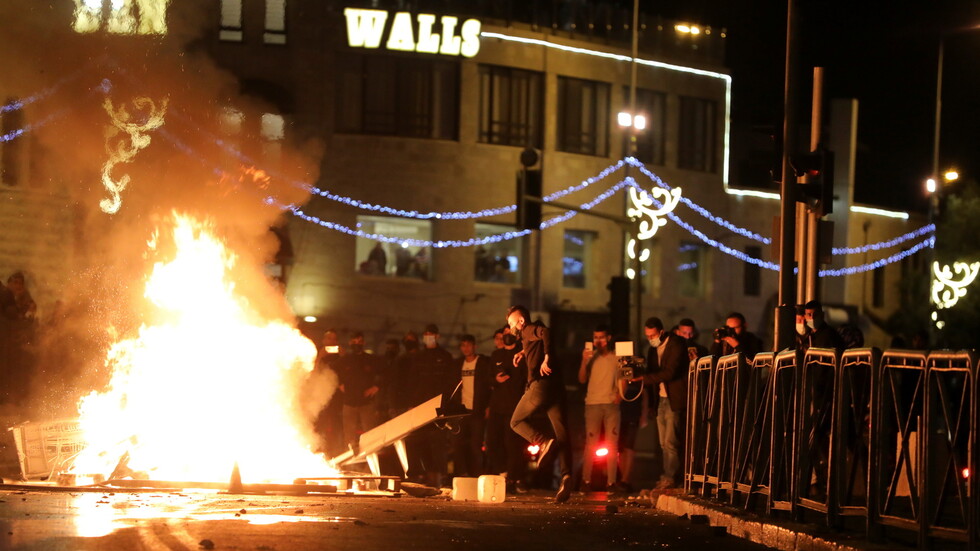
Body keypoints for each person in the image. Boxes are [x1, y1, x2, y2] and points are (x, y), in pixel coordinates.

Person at [506, 305, 573, 504]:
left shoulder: (528, 329)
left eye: (511, 323)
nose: (511, 328)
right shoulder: (528, 336)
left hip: (540, 386)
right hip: (556, 388)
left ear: (520, 321)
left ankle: (542, 442)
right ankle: (567, 476)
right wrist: (523, 353)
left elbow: (545, 332)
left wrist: (546, 357)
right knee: (562, 435)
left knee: (516, 421)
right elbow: (538, 338)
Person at [639, 317, 689, 490]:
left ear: (661, 332)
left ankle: (671, 477)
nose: (650, 339)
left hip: (674, 398)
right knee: (663, 443)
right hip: (661, 398)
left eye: (652, 335)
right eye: (647, 336)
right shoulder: (652, 350)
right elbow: (652, 373)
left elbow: (670, 372)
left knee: (671, 441)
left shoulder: (677, 344)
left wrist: (644, 378)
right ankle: (668, 476)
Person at [407, 323, 456, 486]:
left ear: (437, 336)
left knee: (438, 443)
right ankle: (417, 475)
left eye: (431, 334)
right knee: (417, 440)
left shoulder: (445, 356)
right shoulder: (418, 357)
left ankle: (439, 476)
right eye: (426, 334)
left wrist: (446, 404)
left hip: (439, 406)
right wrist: (412, 404)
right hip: (420, 406)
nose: (428, 337)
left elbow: (450, 382)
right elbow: (412, 382)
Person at [577, 325, 622, 492]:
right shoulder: (590, 356)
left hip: (611, 404)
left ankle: (611, 482)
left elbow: (624, 378)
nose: (598, 341)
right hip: (592, 404)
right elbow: (581, 379)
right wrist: (584, 360)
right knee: (590, 444)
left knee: (612, 444)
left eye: (601, 337)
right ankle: (585, 481)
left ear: (608, 338)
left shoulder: (617, 357)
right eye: (595, 337)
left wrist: (620, 395)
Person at [487, 326, 528, 492]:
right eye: (504, 334)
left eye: (510, 333)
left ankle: (514, 479)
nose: (507, 336)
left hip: (514, 407)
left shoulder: (521, 356)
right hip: (496, 407)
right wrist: (496, 380)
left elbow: (526, 380)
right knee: (492, 443)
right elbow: (487, 378)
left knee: (512, 445)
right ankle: (503, 473)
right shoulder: (496, 355)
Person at [450, 334, 493, 477]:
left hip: (477, 410)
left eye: (468, 345)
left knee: (476, 445)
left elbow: (489, 386)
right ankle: (460, 474)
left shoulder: (483, 363)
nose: (465, 348)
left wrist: (488, 406)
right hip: (461, 411)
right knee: (458, 444)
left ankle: (477, 475)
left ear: (474, 346)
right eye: (463, 345)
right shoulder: (457, 364)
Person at [336, 332, 382, 454]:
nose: (357, 344)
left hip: (366, 403)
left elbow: (386, 374)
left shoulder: (371, 359)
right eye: (354, 342)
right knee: (349, 437)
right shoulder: (344, 360)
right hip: (349, 402)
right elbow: (333, 372)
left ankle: (371, 461)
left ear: (364, 343)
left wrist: (376, 387)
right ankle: (350, 461)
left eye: (359, 342)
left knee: (370, 435)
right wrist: (339, 384)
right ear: (350, 343)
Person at [313, 329, 345, 457]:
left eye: (334, 339)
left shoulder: (340, 357)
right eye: (329, 338)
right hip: (320, 396)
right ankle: (319, 450)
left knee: (337, 425)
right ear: (323, 340)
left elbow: (347, 372)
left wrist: (344, 356)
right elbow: (312, 372)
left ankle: (336, 451)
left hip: (337, 397)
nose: (331, 341)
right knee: (320, 425)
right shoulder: (316, 354)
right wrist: (320, 357)